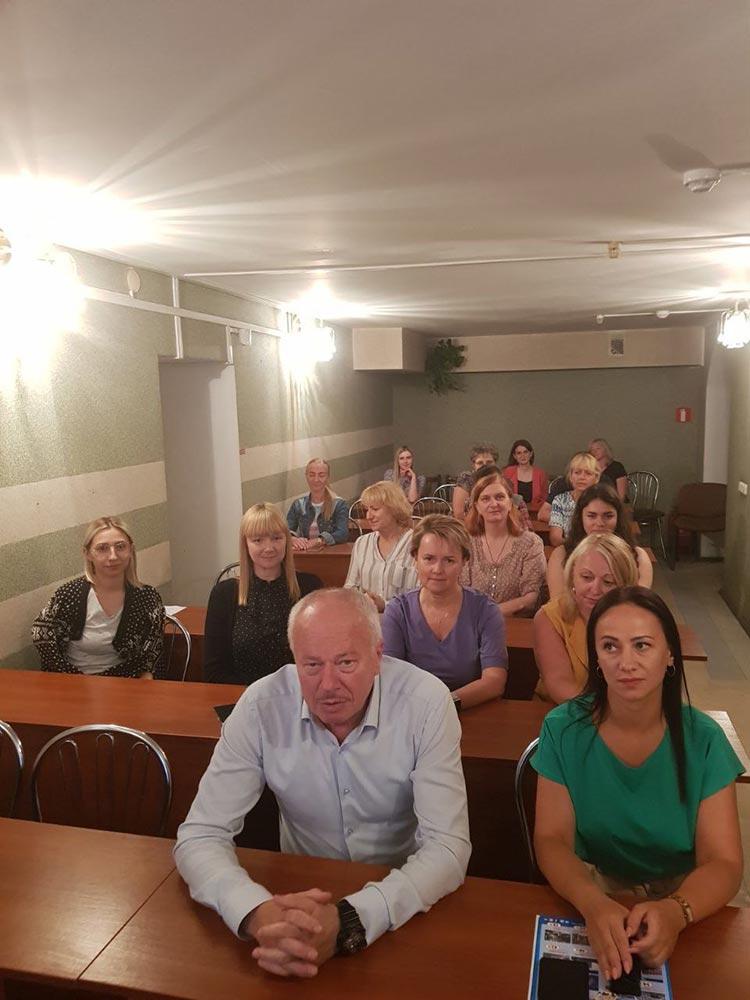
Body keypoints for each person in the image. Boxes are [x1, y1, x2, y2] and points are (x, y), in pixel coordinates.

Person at [175, 588, 471, 978]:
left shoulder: (427, 703)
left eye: (346, 662)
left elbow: (448, 847)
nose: (328, 684)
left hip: (402, 900)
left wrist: (351, 919)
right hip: (293, 900)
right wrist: (255, 912)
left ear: (378, 656)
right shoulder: (260, 706)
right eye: (311, 665)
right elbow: (200, 835)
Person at [532, 587, 743, 980]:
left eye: (642, 645)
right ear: (596, 659)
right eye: (610, 647)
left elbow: (725, 863)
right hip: (593, 886)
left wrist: (676, 911)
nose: (626, 663)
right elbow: (551, 839)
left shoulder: (705, 740)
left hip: (684, 896)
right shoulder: (563, 729)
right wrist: (593, 903)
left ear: (670, 655)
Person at [381, 514, 508, 708]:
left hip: (469, 710)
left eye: (449, 560)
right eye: (429, 559)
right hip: (411, 711)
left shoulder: (486, 611)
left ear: (464, 561)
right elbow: (391, 678)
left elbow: (494, 681)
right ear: (415, 559)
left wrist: (444, 706)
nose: (438, 569)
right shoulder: (397, 611)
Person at [31, 516, 164, 678]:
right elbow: (41, 635)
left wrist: (146, 676)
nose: (113, 556)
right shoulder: (69, 594)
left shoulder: (147, 597)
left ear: (131, 550)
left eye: (120, 547)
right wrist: (68, 677)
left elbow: (153, 651)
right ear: (87, 554)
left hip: (126, 682)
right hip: (73, 682)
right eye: (102, 548)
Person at [204, 503, 322, 684]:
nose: (269, 548)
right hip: (242, 695)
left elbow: (322, 657)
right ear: (246, 544)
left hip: (299, 694)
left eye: (276, 538)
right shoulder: (224, 594)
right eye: (258, 540)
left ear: (287, 540)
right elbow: (214, 671)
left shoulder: (310, 587)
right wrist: (258, 696)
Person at [533, 533, 638, 703]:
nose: (595, 589)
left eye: (608, 582)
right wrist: (611, 713)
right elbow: (561, 686)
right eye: (587, 577)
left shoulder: (641, 620)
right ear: (572, 575)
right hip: (559, 710)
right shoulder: (549, 617)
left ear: (625, 585)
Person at [461, 471, 547, 617]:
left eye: (500, 497)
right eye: (485, 499)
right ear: (477, 507)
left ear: (510, 503)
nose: (494, 504)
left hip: (514, 623)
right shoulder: (466, 542)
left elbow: (531, 598)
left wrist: (490, 613)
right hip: (471, 621)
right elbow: (459, 591)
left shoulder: (531, 543)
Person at [547, 483, 652, 598]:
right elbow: (559, 603)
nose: (600, 523)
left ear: (618, 518)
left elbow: (637, 603)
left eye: (608, 516)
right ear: (580, 517)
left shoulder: (639, 557)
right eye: (592, 516)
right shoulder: (561, 555)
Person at [343, 481, 418, 612]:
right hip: (366, 618)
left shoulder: (416, 544)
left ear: (394, 509)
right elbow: (350, 588)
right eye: (367, 510)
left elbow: (422, 596)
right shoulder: (362, 543)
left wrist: (385, 605)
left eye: (375, 509)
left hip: (404, 620)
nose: (369, 516)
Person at [286, 458, 349, 550]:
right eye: (312, 475)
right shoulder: (298, 504)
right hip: (305, 552)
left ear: (328, 477)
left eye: (321, 475)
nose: (316, 479)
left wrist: (320, 540)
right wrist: (293, 539)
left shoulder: (339, 504)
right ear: (306, 476)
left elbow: (343, 533)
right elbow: (285, 530)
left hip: (329, 553)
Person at [547, 452, 600, 547]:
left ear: (596, 478)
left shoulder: (602, 501)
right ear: (571, 477)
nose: (582, 477)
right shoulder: (560, 500)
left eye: (588, 473)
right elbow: (555, 539)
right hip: (569, 549)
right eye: (577, 472)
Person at [451, 442, 499, 519]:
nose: (485, 466)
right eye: (480, 463)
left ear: (495, 463)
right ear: (473, 465)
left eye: (489, 462)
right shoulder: (466, 478)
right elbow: (459, 514)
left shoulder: (499, 479)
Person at [502, 439, 549, 513]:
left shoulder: (541, 474)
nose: (522, 456)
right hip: (512, 513)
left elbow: (545, 498)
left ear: (531, 454)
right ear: (514, 456)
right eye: (519, 453)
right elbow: (503, 495)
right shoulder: (508, 472)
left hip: (535, 513)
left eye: (525, 452)